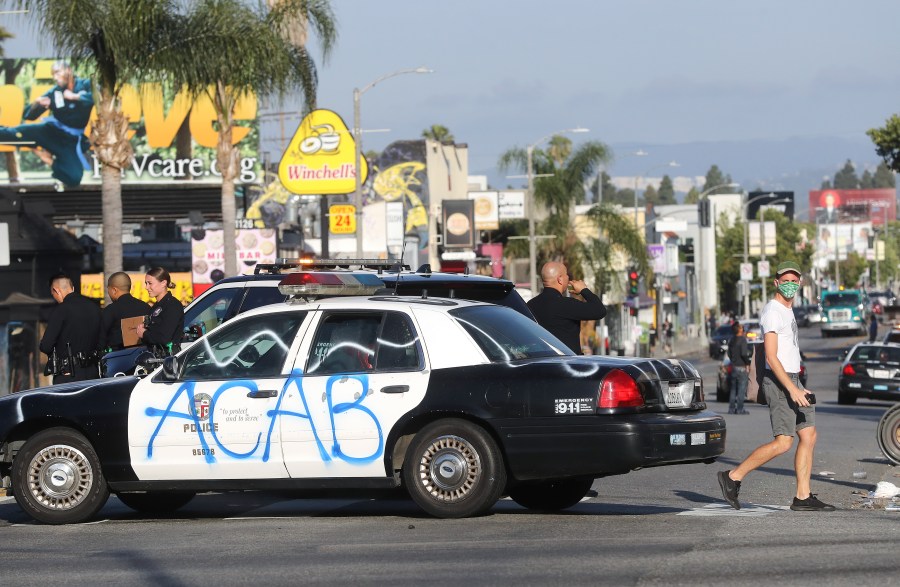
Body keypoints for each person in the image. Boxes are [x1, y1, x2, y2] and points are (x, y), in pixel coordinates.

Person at [718, 260, 835, 512]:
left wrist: (799, 385)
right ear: (776, 283)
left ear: (800, 283)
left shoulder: (788, 310)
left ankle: (802, 497)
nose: (790, 285)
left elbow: (789, 352)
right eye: (786, 281)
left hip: (793, 379)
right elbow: (771, 357)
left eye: (794, 281)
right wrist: (792, 389)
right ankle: (733, 476)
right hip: (779, 380)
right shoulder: (772, 311)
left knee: (809, 434)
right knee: (783, 442)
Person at [0, 61, 93, 186]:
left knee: (74, 178)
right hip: (50, 132)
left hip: (70, 141)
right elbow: (28, 115)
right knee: (13, 133)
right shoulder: (55, 92)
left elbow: (96, 99)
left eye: (57, 73)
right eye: (53, 75)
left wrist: (74, 97)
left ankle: (48, 159)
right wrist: (36, 104)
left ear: (69, 71)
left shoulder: (86, 84)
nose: (55, 78)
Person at [526, 261, 606, 355]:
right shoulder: (567, 304)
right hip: (568, 363)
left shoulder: (530, 305)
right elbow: (600, 310)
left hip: (539, 362)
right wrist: (584, 290)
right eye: (566, 274)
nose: (568, 278)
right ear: (560, 279)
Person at [39, 273, 101, 382]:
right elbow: (102, 340)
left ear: (56, 290)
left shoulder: (61, 310)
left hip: (68, 374)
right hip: (93, 373)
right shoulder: (95, 308)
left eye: (53, 294)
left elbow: (46, 346)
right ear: (73, 288)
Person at [135, 267, 184, 356]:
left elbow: (164, 338)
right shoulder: (156, 307)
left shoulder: (172, 305)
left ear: (163, 283)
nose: (146, 287)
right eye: (146, 283)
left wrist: (144, 333)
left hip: (167, 361)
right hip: (155, 358)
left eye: (150, 283)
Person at [100, 272, 151, 351]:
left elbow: (101, 341)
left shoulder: (110, 311)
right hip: (143, 357)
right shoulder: (146, 307)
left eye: (108, 289)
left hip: (118, 359)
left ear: (114, 290)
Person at [727, 322, 752, 414]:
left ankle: (731, 408)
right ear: (739, 329)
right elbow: (744, 354)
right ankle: (740, 408)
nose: (743, 328)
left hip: (734, 366)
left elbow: (729, 354)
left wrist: (733, 360)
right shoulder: (742, 340)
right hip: (741, 367)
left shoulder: (732, 340)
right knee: (741, 389)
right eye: (741, 327)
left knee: (733, 389)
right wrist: (747, 363)